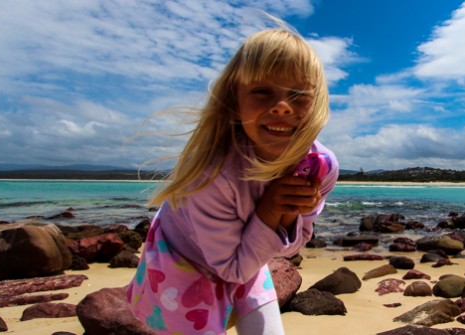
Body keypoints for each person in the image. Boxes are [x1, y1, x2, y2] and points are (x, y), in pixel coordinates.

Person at [126, 21, 338, 335]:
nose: (281, 107)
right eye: (262, 92)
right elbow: (232, 268)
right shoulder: (211, 178)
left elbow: (292, 249)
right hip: (185, 258)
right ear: (234, 103)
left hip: (246, 254)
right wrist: (269, 210)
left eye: (298, 95)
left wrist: (291, 209)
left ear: (317, 102)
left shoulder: (320, 166)